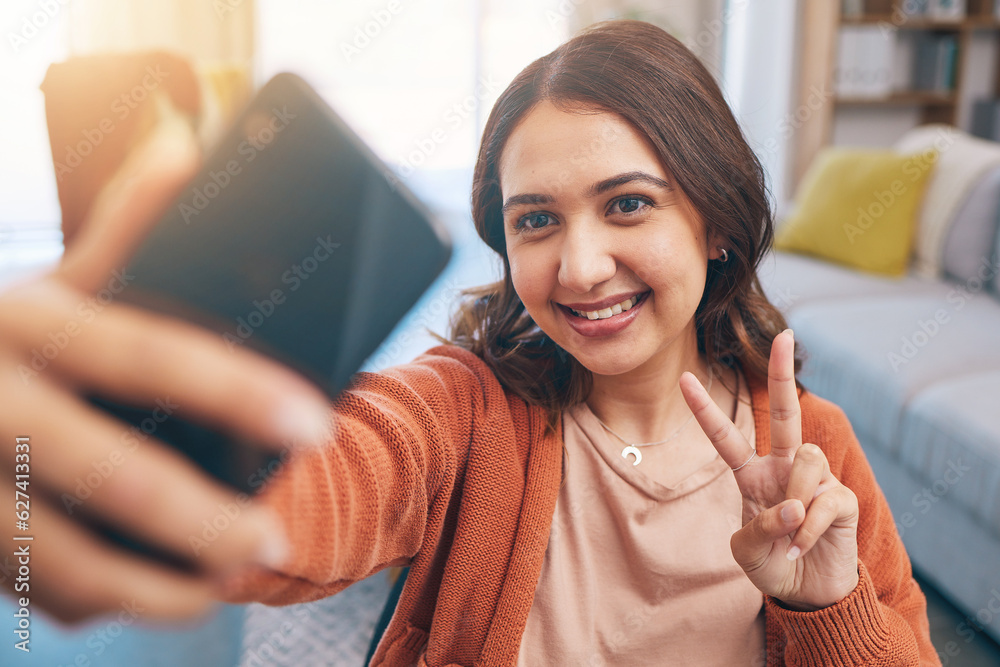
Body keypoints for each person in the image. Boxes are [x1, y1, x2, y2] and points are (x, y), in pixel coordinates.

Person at [0, 19, 938, 666]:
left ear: (716, 223)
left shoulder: (815, 449)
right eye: (536, 220)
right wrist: (89, 452)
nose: (577, 267)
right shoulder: (464, 410)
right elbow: (328, 479)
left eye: (628, 204)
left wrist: (827, 604)